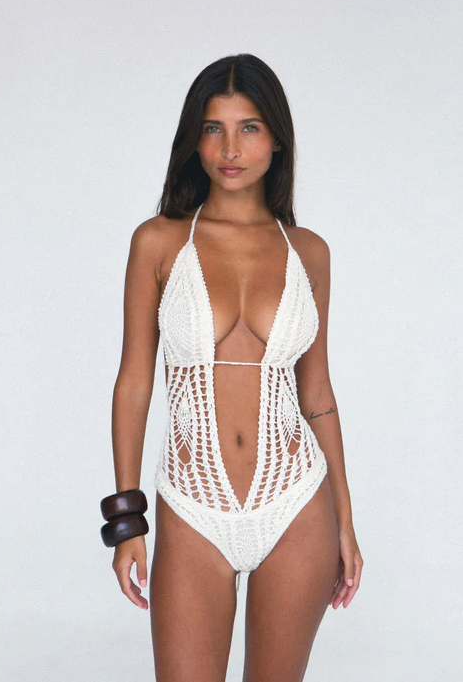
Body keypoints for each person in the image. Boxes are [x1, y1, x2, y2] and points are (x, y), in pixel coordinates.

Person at [104, 53, 363, 681]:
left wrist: (346, 523)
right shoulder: (159, 241)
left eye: (249, 127)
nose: (230, 148)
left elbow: (318, 394)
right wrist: (126, 521)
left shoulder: (309, 253)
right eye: (213, 128)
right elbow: (134, 383)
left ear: (277, 139)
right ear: (194, 140)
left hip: (297, 503)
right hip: (193, 507)